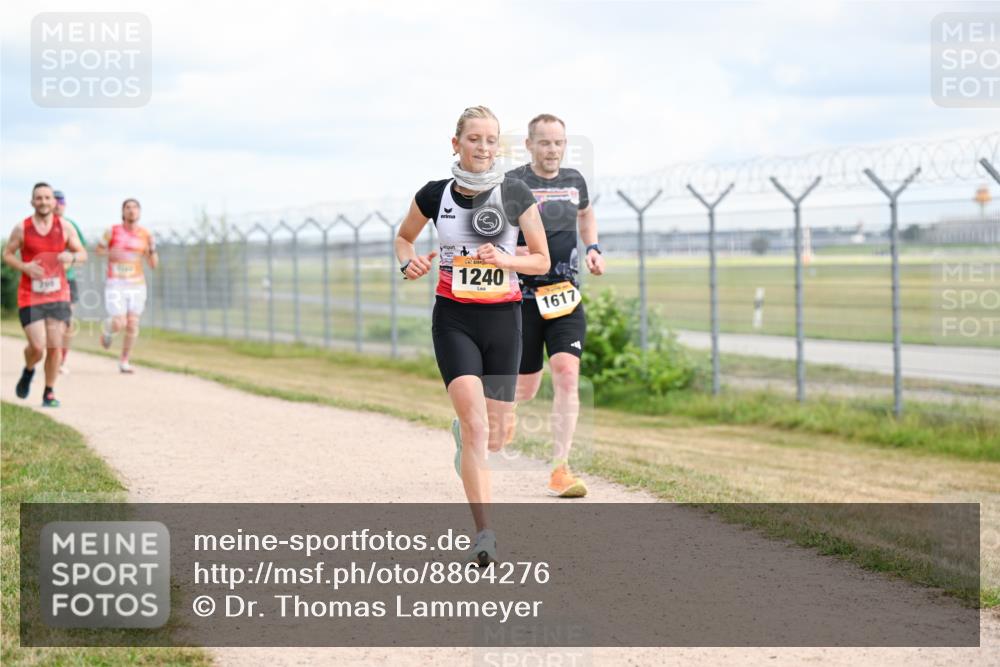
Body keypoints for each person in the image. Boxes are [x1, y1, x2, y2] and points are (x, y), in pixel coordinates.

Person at [394, 106, 549, 566]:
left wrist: (506, 260)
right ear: (456, 143)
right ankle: (485, 534)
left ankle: (470, 439)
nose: (482, 148)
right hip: (454, 319)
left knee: (498, 434)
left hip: (504, 320)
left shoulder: (515, 193)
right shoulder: (433, 194)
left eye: (490, 140)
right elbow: (404, 239)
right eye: (474, 138)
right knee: (478, 427)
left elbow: (539, 260)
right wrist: (410, 262)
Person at [505, 114, 605, 498]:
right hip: (523, 299)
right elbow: (496, 238)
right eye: (545, 143)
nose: (553, 150)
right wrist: (521, 253)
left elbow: (586, 214)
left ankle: (560, 468)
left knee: (566, 372)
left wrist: (593, 247)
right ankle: (499, 412)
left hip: (565, 295)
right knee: (526, 389)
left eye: (559, 143)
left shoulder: (574, 180)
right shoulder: (514, 184)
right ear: (530, 146)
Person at [3, 182, 87, 407]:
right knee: (37, 347)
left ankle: (49, 391)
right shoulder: (22, 228)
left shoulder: (65, 227)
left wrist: (71, 257)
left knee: (54, 346)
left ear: (53, 202)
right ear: (32, 202)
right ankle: (29, 370)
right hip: (30, 295)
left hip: (58, 294)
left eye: (47, 198)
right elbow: (8, 254)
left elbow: (82, 253)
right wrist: (25, 267)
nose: (43, 202)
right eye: (38, 198)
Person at [96, 198, 158, 373]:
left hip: (137, 284)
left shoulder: (146, 235)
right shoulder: (112, 231)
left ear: (139, 212)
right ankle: (109, 332)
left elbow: (153, 264)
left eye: (135, 208)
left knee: (132, 324)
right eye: (128, 208)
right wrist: (109, 252)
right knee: (119, 322)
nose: (131, 211)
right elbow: (99, 250)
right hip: (116, 283)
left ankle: (124, 360)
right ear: (122, 212)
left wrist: (152, 249)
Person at [53, 190, 87, 374]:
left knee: (66, 322)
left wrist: (70, 258)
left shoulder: (71, 226)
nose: (58, 205)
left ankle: (61, 359)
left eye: (61, 202)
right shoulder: (39, 226)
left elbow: (82, 253)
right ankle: (48, 358)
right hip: (46, 281)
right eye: (55, 201)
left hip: (68, 280)